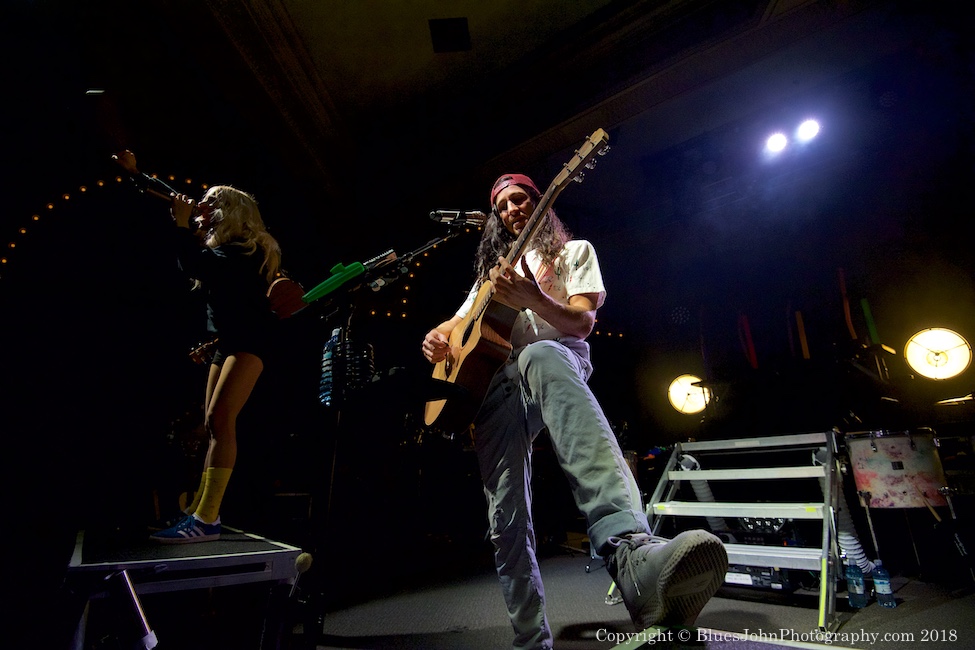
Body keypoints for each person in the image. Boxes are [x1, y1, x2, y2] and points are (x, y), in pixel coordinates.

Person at [421, 173, 728, 648]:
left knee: (537, 354)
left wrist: (536, 299)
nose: (510, 211)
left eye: (519, 199)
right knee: (504, 516)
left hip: (554, 358)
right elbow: (459, 321)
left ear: (541, 202)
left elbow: (582, 323)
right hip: (496, 387)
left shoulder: (573, 252)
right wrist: (437, 336)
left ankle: (631, 555)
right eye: (502, 206)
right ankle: (529, 639)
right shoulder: (494, 275)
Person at [143, 175, 282, 544]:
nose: (203, 208)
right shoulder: (228, 250)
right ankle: (201, 512)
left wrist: (182, 222)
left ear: (230, 213)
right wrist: (134, 172)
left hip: (250, 342)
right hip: (230, 340)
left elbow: (193, 264)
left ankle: (206, 518)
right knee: (210, 424)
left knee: (222, 420)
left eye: (210, 203)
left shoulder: (247, 249)